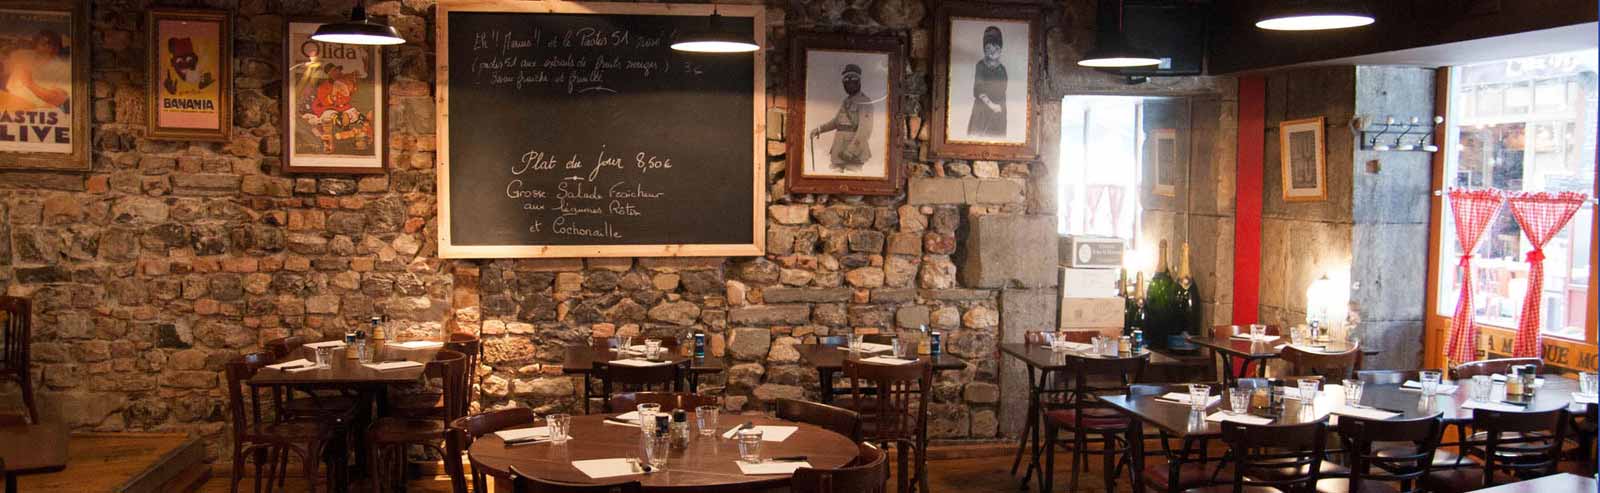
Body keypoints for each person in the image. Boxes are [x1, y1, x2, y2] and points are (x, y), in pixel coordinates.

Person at [809, 63, 874, 173]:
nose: (849, 83)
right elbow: (837, 122)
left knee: (854, 181)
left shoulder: (865, 102)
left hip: (853, 152)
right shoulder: (847, 101)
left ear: (858, 81)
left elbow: (865, 130)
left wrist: (851, 151)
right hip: (838, 149)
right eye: (846, 81)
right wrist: (819, 129)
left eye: (852, 80)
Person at [0, 30, 70, 112]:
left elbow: (58, 100)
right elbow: (7, 82)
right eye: (44, 44)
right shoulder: (22, 56)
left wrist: (30, 83)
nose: (50, 48)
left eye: (54, 45)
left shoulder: (64, 67)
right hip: (12, 104)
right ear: (35, 45)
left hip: (38, 111)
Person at [967, 26, 1006, 138]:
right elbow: (978, 89)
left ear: (1000, 49)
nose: (992, 52)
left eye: (996, 47)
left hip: (998, 112)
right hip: (982, 111)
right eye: (988, 47)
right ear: (984, 49)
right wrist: (991, 105)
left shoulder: (1002, 70)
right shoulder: (981, 66)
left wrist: (997, 107)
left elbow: (1001, 91)